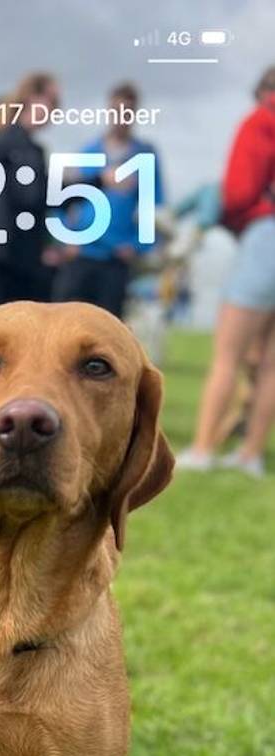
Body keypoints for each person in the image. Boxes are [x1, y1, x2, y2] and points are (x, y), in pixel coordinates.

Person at [177, 66, 275, 477]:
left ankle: (201, 449)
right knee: (271, 362)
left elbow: (237, 192)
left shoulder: (258, 123)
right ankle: (250, 454)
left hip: (264, 237)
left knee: (228, 355)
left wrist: (234, 218)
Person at [53, 82, 164, 318]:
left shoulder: (144, 156)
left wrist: (137, 245)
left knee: (108, 332)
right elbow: (63, 198)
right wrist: (66, 241)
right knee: (64, 322)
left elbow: (154, 208)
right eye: (116, 110)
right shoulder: (87, 152)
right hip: (81, 253)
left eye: (127, 111)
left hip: (116, 258)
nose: (120, 117)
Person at [0, 73, 60, 308]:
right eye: (52, 101)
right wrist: (93, 183)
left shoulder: (27, 146)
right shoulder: (12, 142)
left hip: (18, 252)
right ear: (32, 98)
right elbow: (31, 195)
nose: (56, 110)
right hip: (10, 255)